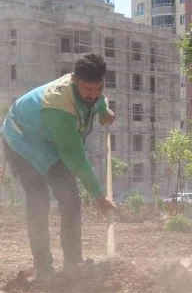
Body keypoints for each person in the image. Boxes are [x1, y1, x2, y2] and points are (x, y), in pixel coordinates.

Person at [1, 53, 117, 281]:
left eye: (98, 88)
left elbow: (98, 101)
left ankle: (73, 262)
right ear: (74, 80)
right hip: (21, 138)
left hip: (49, 140)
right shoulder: (59, 106)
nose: (93, 95)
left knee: (70, 197)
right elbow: (76, 160)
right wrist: (99, 198)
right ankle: (43, 268)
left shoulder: (92, 95)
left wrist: (103, 111)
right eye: (87, 89)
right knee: (38, 199)